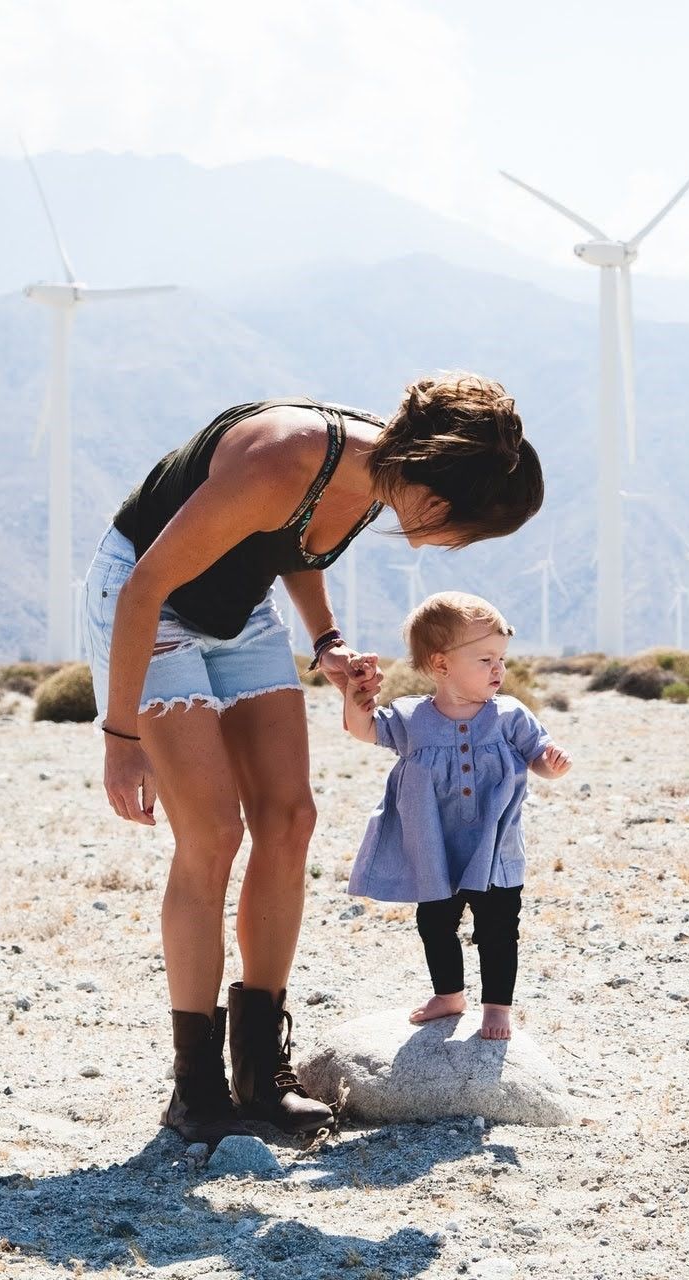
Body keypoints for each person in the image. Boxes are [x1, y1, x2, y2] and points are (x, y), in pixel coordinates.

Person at [85, 376, 542, 1141]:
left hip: (240, 612)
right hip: (149, 604)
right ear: (437, 485)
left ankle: (260, 1075)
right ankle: (195, 1091)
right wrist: (121, 736)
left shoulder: (381, 476)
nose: (457, 541)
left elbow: (295, 543)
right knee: (213, 835)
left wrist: (326, 642)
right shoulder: (284, 455)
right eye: (465, 524)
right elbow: (145, 585)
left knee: (291, 819)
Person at [341, 592, 571, 1042]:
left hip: (495, 849)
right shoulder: (411, 719)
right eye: (485, 659)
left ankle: (497, 1006)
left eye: (502, 658)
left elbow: (536, 755)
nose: (499, 670)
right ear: (442, 665)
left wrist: (551, 762)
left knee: (499, 927)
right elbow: (363, 729)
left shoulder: (509, 716)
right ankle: (449, 995)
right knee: (435, 923)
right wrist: (356, 696)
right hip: (436, 848)